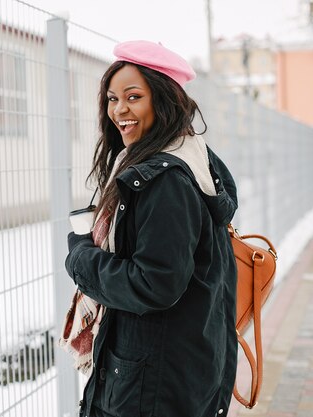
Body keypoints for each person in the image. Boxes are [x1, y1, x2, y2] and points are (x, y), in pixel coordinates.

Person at [61, 40, 238, 417]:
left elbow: (154, 284)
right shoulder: (192, 156)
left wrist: (81, 256)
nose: (119, 110)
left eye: (133, 96)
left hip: (152, 382)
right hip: (177, 363)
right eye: (112, 98)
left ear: (164, 99)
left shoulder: (165, 181)